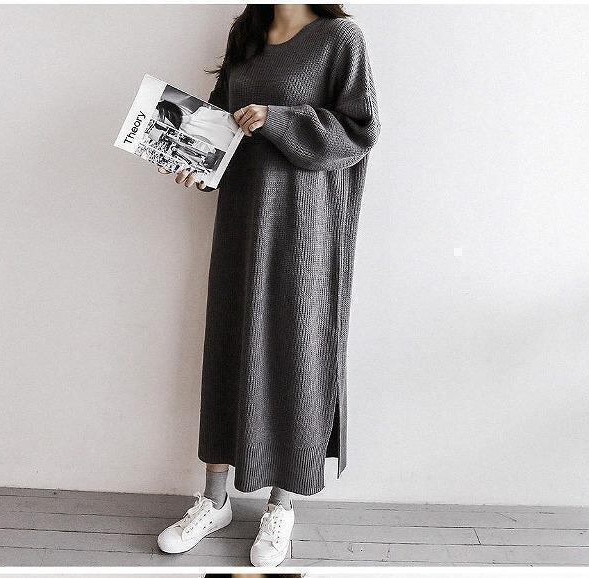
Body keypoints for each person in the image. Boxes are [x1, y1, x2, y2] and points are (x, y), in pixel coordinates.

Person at [156, 3, 380, 567]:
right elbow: (219, 124)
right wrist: (197, 164)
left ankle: (282, 506)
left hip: (304, 225)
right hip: (240, 220)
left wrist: (278, 118)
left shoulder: (340, 38)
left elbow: (361, 130)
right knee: (230, 346)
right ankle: (214, 501)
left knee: (295, 350)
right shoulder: (247, 30)